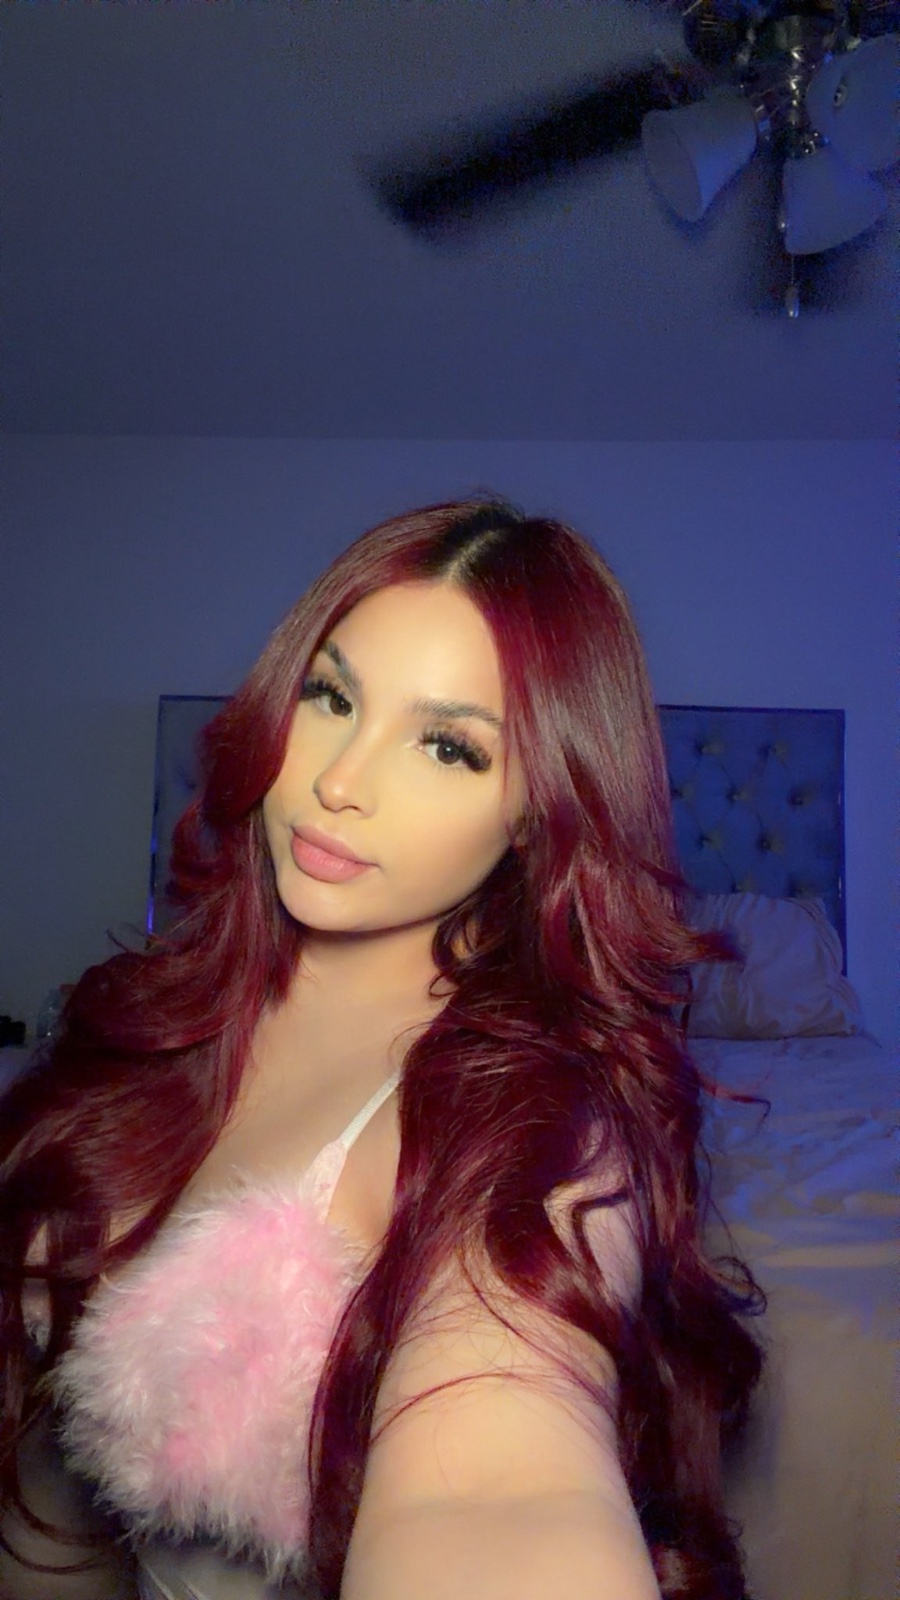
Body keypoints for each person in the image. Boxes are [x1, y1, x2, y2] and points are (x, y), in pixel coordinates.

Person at [0, 499, 763, 1600]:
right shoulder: (157, 1004)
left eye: (448, 746)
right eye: (332, 696)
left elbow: (500, 1487)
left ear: (538, 812)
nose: (340, 781)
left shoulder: (532, 1120)